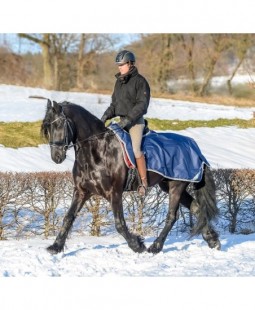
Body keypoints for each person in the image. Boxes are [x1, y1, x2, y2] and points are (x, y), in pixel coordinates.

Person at [101, 50, 151, 197]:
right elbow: (114, 104)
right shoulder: (119, 82)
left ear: (130, 64)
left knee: (136, 150)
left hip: (135, 122)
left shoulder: (141, 82)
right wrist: (105, 116)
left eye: (122, 65)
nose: (119, 67)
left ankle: (143, 182)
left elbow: (142, 105)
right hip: (120, 122)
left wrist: (128, 120)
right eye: (118, 65)